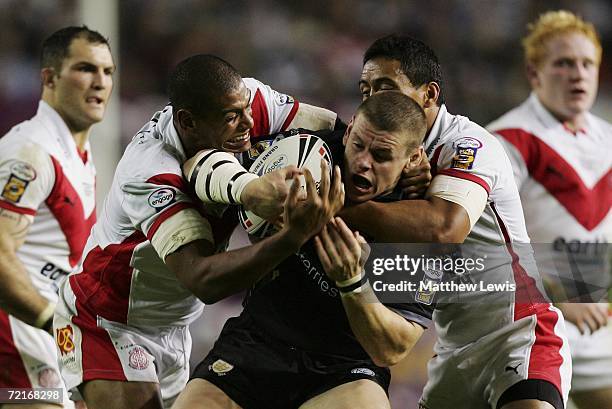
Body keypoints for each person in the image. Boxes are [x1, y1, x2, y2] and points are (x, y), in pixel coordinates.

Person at [53, 54, 343, 409]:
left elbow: (334, 129)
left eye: (246, 109)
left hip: (175, 325)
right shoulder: (150, 172)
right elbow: (202, 279)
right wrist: (293, 236)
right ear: (188, 121)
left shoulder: (243, 102)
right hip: (108, 321)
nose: (249, 124)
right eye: (232, 118)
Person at [336, 34, 571, 409]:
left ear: (429, 94)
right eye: (365, 90)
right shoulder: (380, 151)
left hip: (517, 333)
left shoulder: (468, 144)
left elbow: (446, 225)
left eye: (385, 87)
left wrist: (334, 208)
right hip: (452, 351)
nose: (373, 100)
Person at [174, 92, 431, 409]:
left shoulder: (420, 226)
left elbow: (392, 349)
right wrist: (250, 188)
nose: (363, 162)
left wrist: (353, 283)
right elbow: (196, 163)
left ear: (413, 159)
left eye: (381, 156)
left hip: (342, 369)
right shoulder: (305, 154)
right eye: (359, 145)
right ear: (348, 132)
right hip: (258, 342)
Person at [487, 10, 612, 409]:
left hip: (596, 320)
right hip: (528, 319)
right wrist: (559, 287)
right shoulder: (506, 141)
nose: (577, 73)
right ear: (534, 72)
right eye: (563, 63)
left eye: (586, 63)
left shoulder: (608, 137)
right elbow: (486, 241)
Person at [0, 26, 115, 409]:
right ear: (49, 78)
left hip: (46, 341)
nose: (100, 82)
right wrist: (55, 323)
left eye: (108, 71)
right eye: (86, 68)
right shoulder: (30, 152)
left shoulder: (78, 155)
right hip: (15, 335)